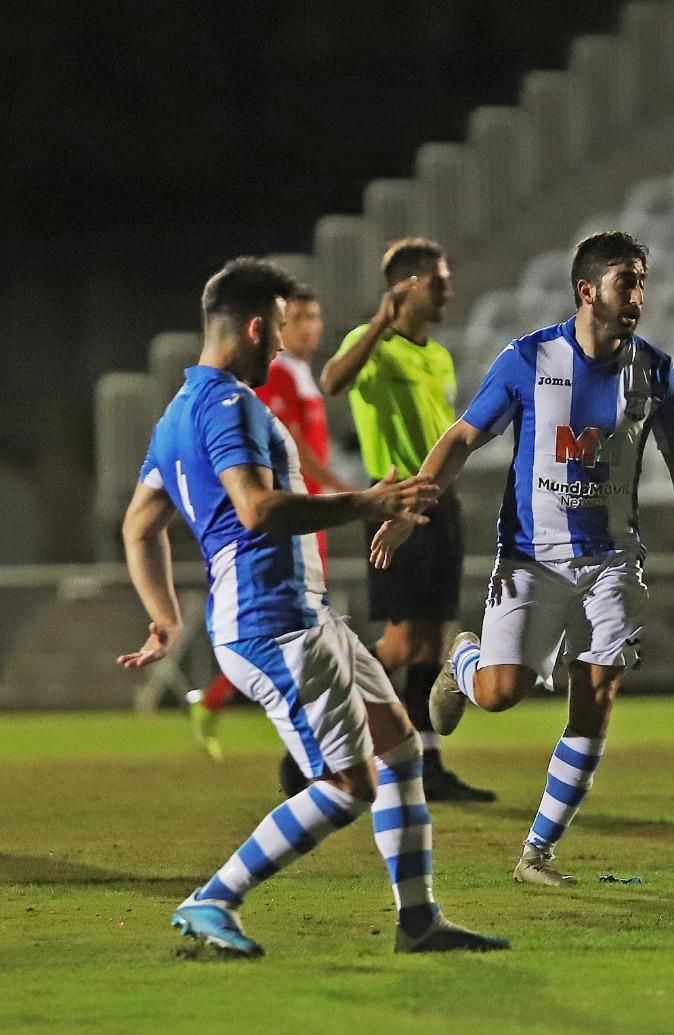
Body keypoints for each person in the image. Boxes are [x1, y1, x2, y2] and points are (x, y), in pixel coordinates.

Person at [118, 257, 507, 956]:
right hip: (273, 621)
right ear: (257, 326)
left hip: (299, 611)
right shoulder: (229, 404)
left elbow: (139, 525)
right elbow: (257, 508)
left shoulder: (177, 414)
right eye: (277, 334)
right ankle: (213, 898)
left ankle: (418, 918)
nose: (281, 349)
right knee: (349, 781)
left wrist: (166, 616)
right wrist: (367, 501)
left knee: (400, 746)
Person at [371, 231, 674, 886]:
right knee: (500, 693)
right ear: (586, 290)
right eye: (626, 281)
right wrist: (412, 509)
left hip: (611, 561)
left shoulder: (655, 372)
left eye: (641, 282)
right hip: (529, 559)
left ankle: (536, 852)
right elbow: (462, 435)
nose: (638, 295)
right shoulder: (529, 360)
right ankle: (464, 662)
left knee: (596, 695)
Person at [318, 237, 493, 802]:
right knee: (398, 641)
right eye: (437, 281)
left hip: (441, 504)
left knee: (432, 639)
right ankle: (325, 733)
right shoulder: (375, 347)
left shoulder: (437, 355)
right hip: (394, 502)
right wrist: (377, 322)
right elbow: (333, 382)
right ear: (406, 285)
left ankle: (427, 766)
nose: (447, 290)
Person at [186, 282, 354, 762]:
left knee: (306, 616)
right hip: (295, 508)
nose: (307, 329)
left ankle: (221, 701)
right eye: (296, 319)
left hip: (311, 506)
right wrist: (346, 490)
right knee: (294, 617)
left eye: (313, 318)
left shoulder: (300, 372)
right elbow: (294, 444)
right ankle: (308, 737)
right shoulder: (277, 374)